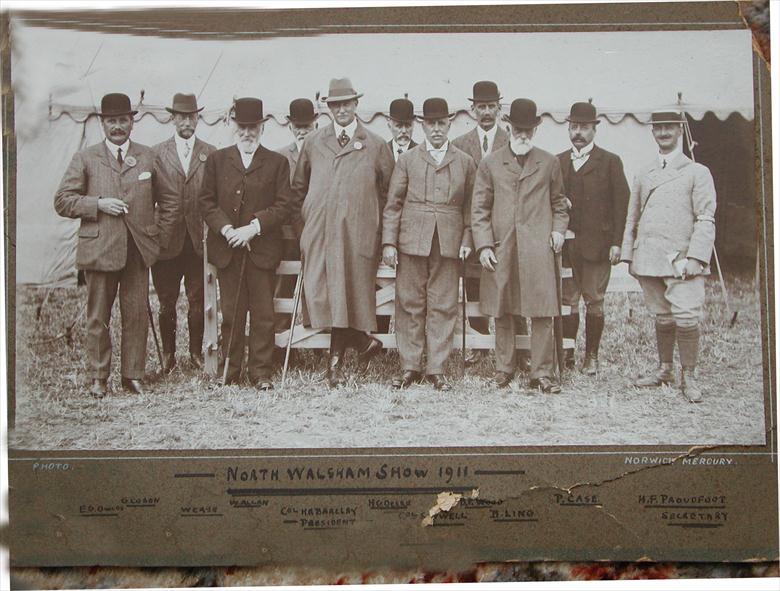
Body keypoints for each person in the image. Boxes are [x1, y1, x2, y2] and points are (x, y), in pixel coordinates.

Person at [54, 92, 179, 397]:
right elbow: (62, 201)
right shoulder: (85, 158)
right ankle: (99, 377)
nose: (118, 126)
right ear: (102, 124)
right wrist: (97, 204)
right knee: (99, 316)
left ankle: (132, 375)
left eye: (123, 120)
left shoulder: (148, 156)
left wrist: (156, 236)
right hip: (99, 250)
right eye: (112, 121)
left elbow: (171, 200)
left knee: (136, 314)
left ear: (132, 122)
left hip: (137, 252)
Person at [291, 78, 395, 387]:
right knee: (323, 293)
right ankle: (363, 343)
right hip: (320, 235)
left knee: (348, 294)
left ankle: (335, 364)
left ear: (356, 105)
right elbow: (298, 190)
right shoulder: (313, 142)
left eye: (347, 103)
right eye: (336, 105)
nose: (342, 110)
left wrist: (380, 233)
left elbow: (389, 194)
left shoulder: (375, 145)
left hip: (358, 236)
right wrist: (305, 229)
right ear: (328, 108)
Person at [471, 98, 569, 393]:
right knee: (502, 309)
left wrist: (558, 231)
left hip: (538, 250)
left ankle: (541, 374)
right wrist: (485, 246)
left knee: (541, 311)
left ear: (535, 130)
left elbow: (559, 204)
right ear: (509, 127)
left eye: (528, 130)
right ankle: (504, 369)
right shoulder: (490, 163)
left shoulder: (549, 162)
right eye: (518, 129)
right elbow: (479, 209)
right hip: (503, 248)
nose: (523, 134)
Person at [621, 110, 716, 403]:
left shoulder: (697, 172)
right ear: (652, 132)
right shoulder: (643, 172)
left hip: (682, 259)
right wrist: (629, 255)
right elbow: (631, 217)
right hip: (648, 257)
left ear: (680, 131)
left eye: (669, 128)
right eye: (658, 128)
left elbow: (705, 218)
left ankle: (689, 376)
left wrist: (696, 257)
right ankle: (664, 369)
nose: (663, 133)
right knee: (661, 315)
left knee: (686, 316)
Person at [198, 97, 294, 390]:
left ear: (262, 128)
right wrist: (227, 229)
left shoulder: (277, 162)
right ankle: (232, 369)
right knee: (233, 312)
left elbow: (283, 205)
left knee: (264, 315)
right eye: (243, 127)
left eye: (253, 127)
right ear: (233, 126)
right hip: (228, 249)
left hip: (261, 251)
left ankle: (261, 372)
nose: (247, 133)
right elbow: (206, 201)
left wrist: (254, 228)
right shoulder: (217, 160)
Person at [382, 98, 476, 391]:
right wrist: (389, 243)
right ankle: (410, 366)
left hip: (448, 243)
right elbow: (393, 204)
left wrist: (466, 239)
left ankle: (436, 368)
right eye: (430, 124)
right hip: (411, 241)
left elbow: (472, 208)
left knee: (444, 305)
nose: (436, 129)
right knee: (409, 303)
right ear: (422, 126)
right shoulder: (408, 160)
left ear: (449, 124)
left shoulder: (464, 162)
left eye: (441, 123)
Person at [452, 80, 526, 367]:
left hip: (507, 230)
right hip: (473, 230)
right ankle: (479, 344)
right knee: (473, 286)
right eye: (480, 106)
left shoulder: (515, 142)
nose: (486, 112)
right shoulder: (459, 146)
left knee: (512, 286)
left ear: (499, 108)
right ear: (471, 109)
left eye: (491, 106)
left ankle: (521, 348)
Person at [556, 101, 629, 374]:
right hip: (565, 246)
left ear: (594, 130)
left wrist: (617, 242)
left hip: (597, 246)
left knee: (594, 300)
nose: (578, 132)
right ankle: (568, 354)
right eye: (574, 127)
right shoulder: (558, 161)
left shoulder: (610, 162)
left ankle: (592, 356)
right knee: (567, 300)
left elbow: (622, 204)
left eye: (584, 127)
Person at [151, 93, 216, 373]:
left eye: (191, 116)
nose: (186, 122)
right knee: (166, 301)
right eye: (181, 116)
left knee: (198, 299)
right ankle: (168, 355)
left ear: (198, 118)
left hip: (198, 241)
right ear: (172, 118)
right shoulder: (156, 154)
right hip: (165, 240)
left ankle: (195, 353)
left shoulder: (210, 153)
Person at [275, 99, 318, 342]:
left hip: (317, 232)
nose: (302, 131)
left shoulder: (324, 153)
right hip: (288, 235)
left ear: (316, 124)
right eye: (297, 126)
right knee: (284, 284)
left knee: (316, 286)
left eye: (307, 126)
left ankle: (317, 338)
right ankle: (281, 338)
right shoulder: (280, 156)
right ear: (290, 127)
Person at [387, 98, 417, 162]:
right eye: (399, 126)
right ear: (389, 125)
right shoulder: (382, 152)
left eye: (408, 125)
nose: (404, 131)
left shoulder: (422, 154)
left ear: (413, 125)